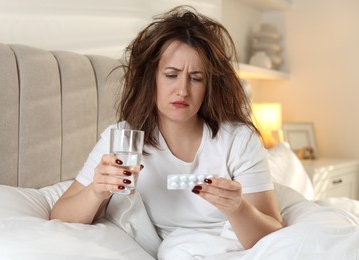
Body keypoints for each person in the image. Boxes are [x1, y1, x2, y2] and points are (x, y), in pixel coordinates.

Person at [50, 5, 283, 252]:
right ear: (151, 78)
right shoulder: (122, 140)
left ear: (209, 86)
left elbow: (273, 233)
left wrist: (239, 209)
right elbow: (60, 214)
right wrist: (97, 191)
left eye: (196, 78)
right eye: (171, 75)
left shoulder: (237, 140)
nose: (183, 90)